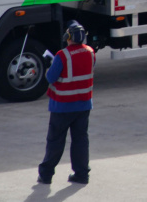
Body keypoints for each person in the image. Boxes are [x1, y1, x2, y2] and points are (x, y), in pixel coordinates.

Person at [37, 21, 96, 186]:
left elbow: (50, 78)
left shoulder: (62, 55)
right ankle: (82, 174)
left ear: (68, 37)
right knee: (80, 140)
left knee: (55, 141)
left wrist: (50, 65)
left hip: (62, 106)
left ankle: (46, 175)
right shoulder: (90, 52)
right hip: (83, 105)